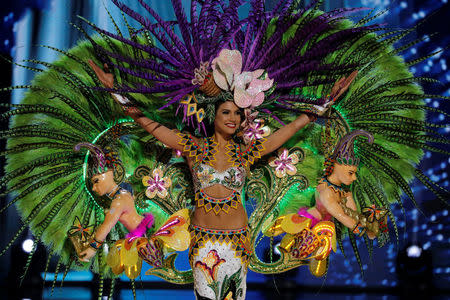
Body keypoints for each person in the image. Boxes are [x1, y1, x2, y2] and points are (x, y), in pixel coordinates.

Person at [87, 51, 358, 299]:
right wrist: (114, 91)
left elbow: (289, 130)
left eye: (238, 114)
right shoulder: (193, 147)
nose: (233, 118)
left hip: (237, 242)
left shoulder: (248, 151)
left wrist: (327, 102)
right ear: (213, 115)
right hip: (203, 242)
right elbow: (150, 125)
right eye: (226, 112)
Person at [267, 130, 388, 276]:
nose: (354, 177)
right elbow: (338, 213)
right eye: (351, 173)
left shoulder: (344, 191)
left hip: (325, 228)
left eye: (354, 173)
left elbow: (352, 212)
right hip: (310, 220)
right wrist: (358, 227)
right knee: (293, 238)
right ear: (338, 168)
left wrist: (368, 222)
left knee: (322, 252)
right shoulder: (326, 190)